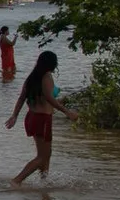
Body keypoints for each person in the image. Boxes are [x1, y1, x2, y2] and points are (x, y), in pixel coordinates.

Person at [5, 50, 74, 186]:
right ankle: (17, 180)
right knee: (42, 156)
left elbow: (22, 98)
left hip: (32, 117)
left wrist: (14, 116)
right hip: (42, 119)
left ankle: (44, 182)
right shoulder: (47, 76)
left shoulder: (32, 77)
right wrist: (67, 111)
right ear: (52, 63)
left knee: (46, 154)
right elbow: (49, 97)